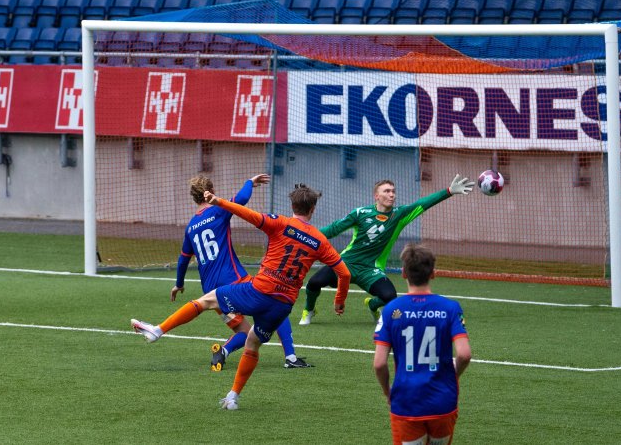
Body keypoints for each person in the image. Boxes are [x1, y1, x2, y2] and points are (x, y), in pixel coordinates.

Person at [191, 183, 351, 410]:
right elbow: (344, 273)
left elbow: (247, 214)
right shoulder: (319, 240)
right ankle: (234, 395)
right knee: (253, 343)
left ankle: (159, 330)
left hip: (259, 291)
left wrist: (219, 202)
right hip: (282, 304)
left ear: (292, 205)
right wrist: (339, 301)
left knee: (209, 300)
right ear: (313, 209)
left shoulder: (280, 223)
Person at [130, 174, 311, 370]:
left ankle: (221, 351)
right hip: (234, 280)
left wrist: (179, 284)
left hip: (211, 290)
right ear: (212, 192)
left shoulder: (191, 227)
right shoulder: (218, 211)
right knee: (275, 307)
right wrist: (250, 182)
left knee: (244, 331)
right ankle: (291, 357)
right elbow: (241, 199)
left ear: (193, 197)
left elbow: (183, 259)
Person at [299, 174, 474, 325]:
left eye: (393, 191)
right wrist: (304, 235)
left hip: (371, 270)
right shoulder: (360, 213)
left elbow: (423, 203)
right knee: (314, 283)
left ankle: (372, 305)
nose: (392, 195)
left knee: (390, 296)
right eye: (387, 191)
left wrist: (449, 191)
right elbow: (333, 229)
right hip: (346, 263)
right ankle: (309, 310)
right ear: (376, 196)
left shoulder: (399, 215)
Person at [373, 243, 471, 445]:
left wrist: (387, 392)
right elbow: (464, 354)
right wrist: (453, 376)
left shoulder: (391, 310)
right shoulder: (450, 308)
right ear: (433, 273)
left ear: (403, 273)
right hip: (443, 400)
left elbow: (379, 363)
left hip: (406, 401)